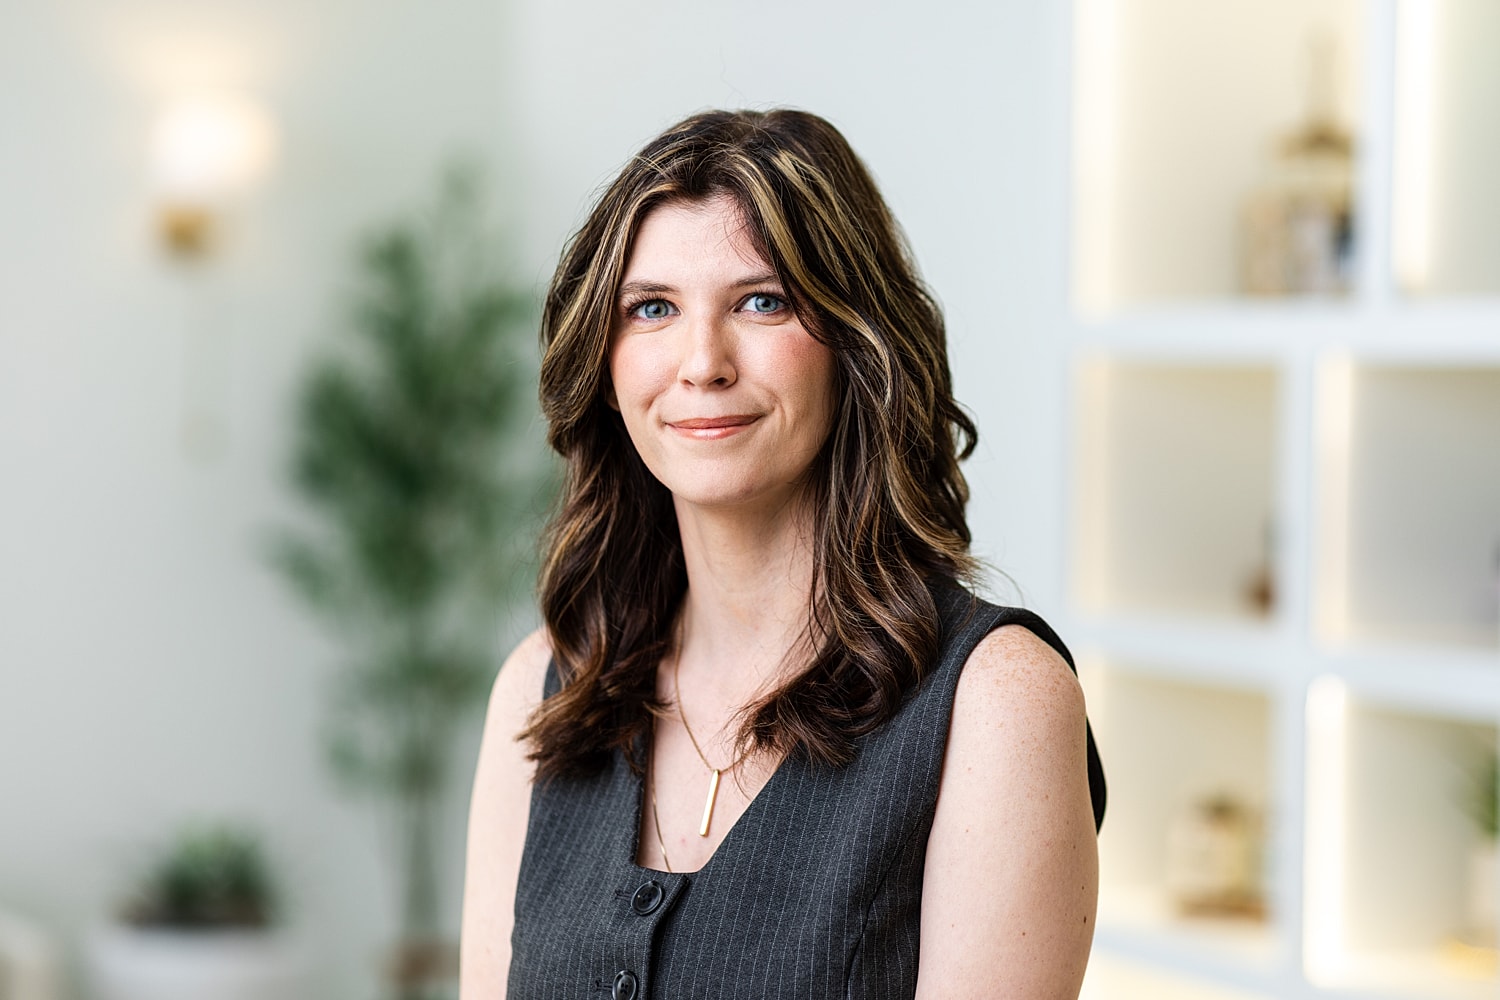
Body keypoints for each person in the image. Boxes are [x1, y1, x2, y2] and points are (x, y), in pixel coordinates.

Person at [460, 108, 1105, 1000]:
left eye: (762, 301)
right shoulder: (542, 691)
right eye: (652, 309)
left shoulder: (995, 702)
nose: (702, 362)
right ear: (605, 367)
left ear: (857, 342)